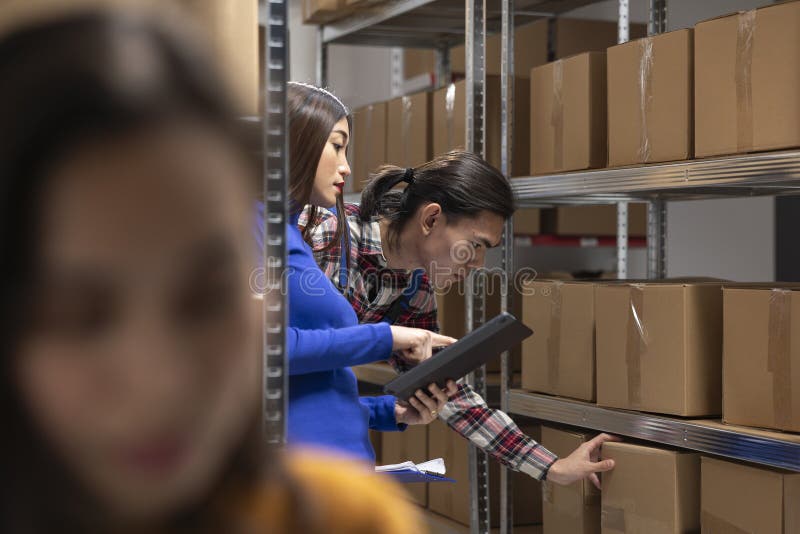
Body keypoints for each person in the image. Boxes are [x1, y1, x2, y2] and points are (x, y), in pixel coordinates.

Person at [0, 7, 425, 533]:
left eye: (208, 300)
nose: (160, 382)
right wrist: (383, 339)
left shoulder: (348, 516)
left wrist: (384, 413)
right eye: (77, 316)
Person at [302, 149, 619, 488]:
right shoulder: (325, 238)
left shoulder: (415, 290)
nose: (478, 263)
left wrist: (551, 467)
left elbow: (450, 392)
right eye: (475, 244)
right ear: (431, 219)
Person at [253, 81, 459, 463]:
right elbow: (259, 351)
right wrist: (386, 338)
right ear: (293, 142)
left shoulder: (288, 234)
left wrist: (387, 412)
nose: (346, 165)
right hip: (300, 476)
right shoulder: (251, 227)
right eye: (336, 145)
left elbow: (309, 389)